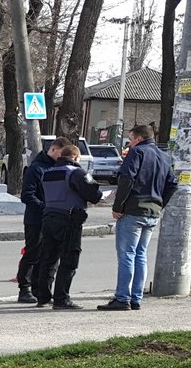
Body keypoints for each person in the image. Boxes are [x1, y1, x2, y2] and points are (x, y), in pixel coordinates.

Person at [97, 124, 179, 311]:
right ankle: (136, 297)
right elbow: (172, 184)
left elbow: (126, 178)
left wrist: (118, 206)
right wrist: (160, 204)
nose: (129, 143)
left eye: (131, 139)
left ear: (139, 139)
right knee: (140, 255)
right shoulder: (164, 156)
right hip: (152, 212)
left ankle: (122, 298)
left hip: (133, 210)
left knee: (127, 255)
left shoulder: (137, 153)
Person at [32, 144, 103, 309]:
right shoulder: (76, 173)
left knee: (48, 259)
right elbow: (94, 194)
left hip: (48, 218)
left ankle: (43, 296)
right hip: (69, 219)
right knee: (69, 259)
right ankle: (61, 299)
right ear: (76, 157)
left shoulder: (47, 173)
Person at [16, 137, 69, 303]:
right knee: (33, 254)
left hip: (53, 219)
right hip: (36, 219)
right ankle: (24, 289)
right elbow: (27, 195)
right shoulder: (36, 168)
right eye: (61, 154)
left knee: (48, 256)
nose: (62, 158)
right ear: (53, 150)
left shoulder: (59, 167)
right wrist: (45, 208)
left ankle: (41, 290)